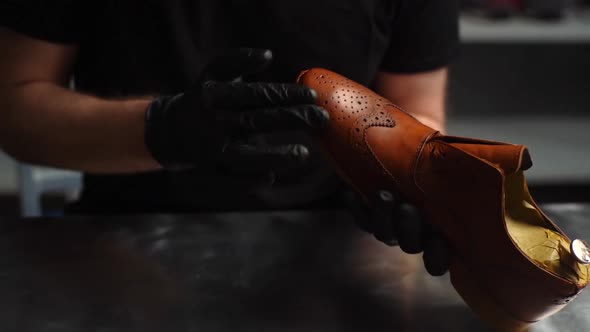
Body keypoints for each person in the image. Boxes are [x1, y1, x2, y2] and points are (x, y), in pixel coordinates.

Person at [0, 1, 459, 275]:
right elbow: (15, 107)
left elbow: (417, 108)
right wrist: (159, 129)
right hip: (125, 243)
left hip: (336, 247)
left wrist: (408, 185)